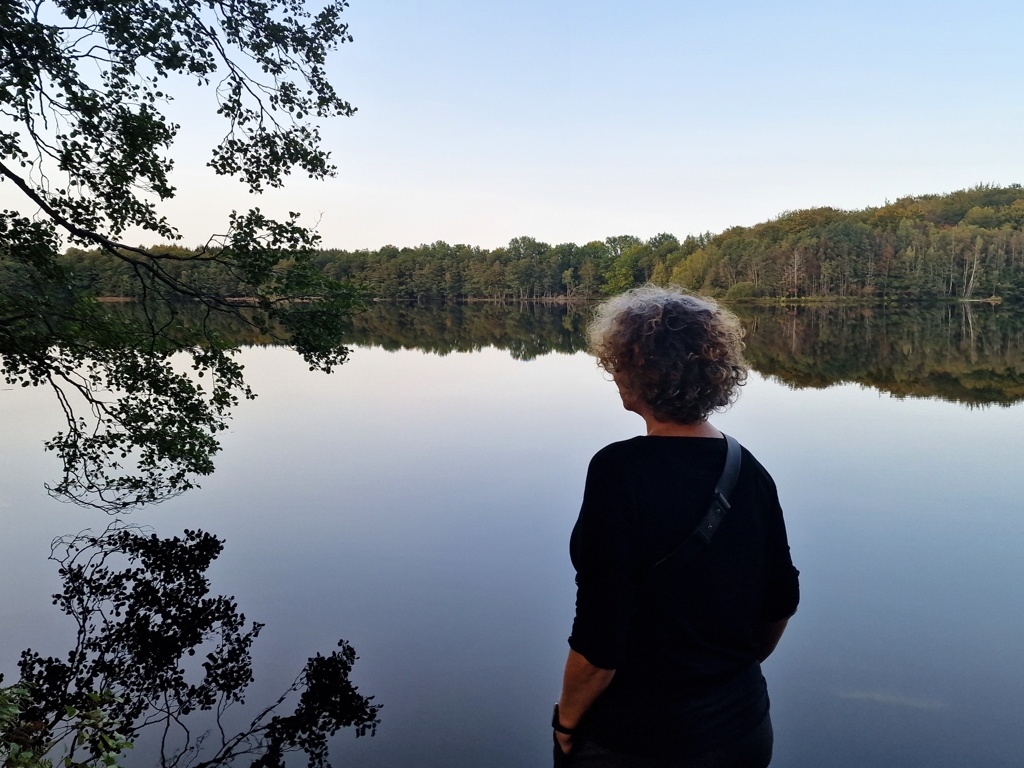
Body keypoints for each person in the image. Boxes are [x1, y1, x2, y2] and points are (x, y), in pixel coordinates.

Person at [553, 286, 800, 768]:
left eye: (619, 364)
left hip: (638, 737)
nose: (615, 375)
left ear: (637, 373)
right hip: (740, 727)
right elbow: (780, 601)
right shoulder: (747, 468)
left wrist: (566, 722)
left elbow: (601, 636)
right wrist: (724, 674)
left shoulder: (617, 471)